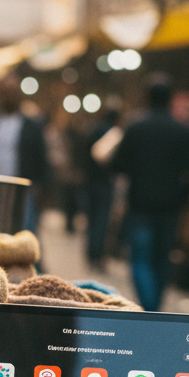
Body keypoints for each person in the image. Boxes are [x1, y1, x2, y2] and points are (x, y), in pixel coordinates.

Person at [110, 76, 189, 312]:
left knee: (140, 260)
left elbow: (118, 163)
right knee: (162, 261)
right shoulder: (183, 130)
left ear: (147, 97)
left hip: (140, 205)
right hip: (170, 207)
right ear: (171, 98)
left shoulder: (135, 127)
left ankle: (149, 309)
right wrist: (181, 197)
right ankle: (155, 307)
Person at [0, 72, 49, 233]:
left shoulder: (31, 126)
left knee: (24, 230)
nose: (9, 97)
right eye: (6, 92)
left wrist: (41, 187)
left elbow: (40, 157)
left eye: (12, 92)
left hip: (22, 189)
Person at [82, 107, 120, 265]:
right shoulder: (114, 133)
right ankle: (96, 253)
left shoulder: (93, 130)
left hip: (90, 181)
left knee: (91, 217)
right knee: (101, 219)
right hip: (104, 182)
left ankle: (90, 251)